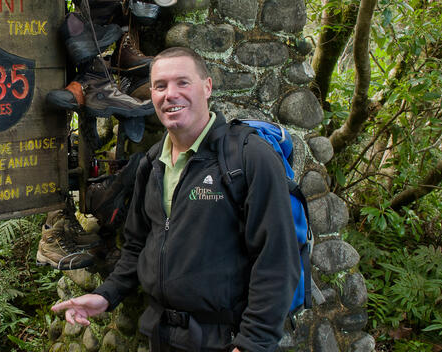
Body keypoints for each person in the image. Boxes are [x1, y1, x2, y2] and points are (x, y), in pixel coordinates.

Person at [52, 47, 301, 352]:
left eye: (183, 82)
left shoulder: (247, 158)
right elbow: (137, 245)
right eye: (160, 85)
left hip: (224, 338)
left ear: (207, 87)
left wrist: (251, 344)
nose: (170, 94)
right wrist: (106, 295)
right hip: (162, 335)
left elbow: (276, 259)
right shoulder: (152, 162)